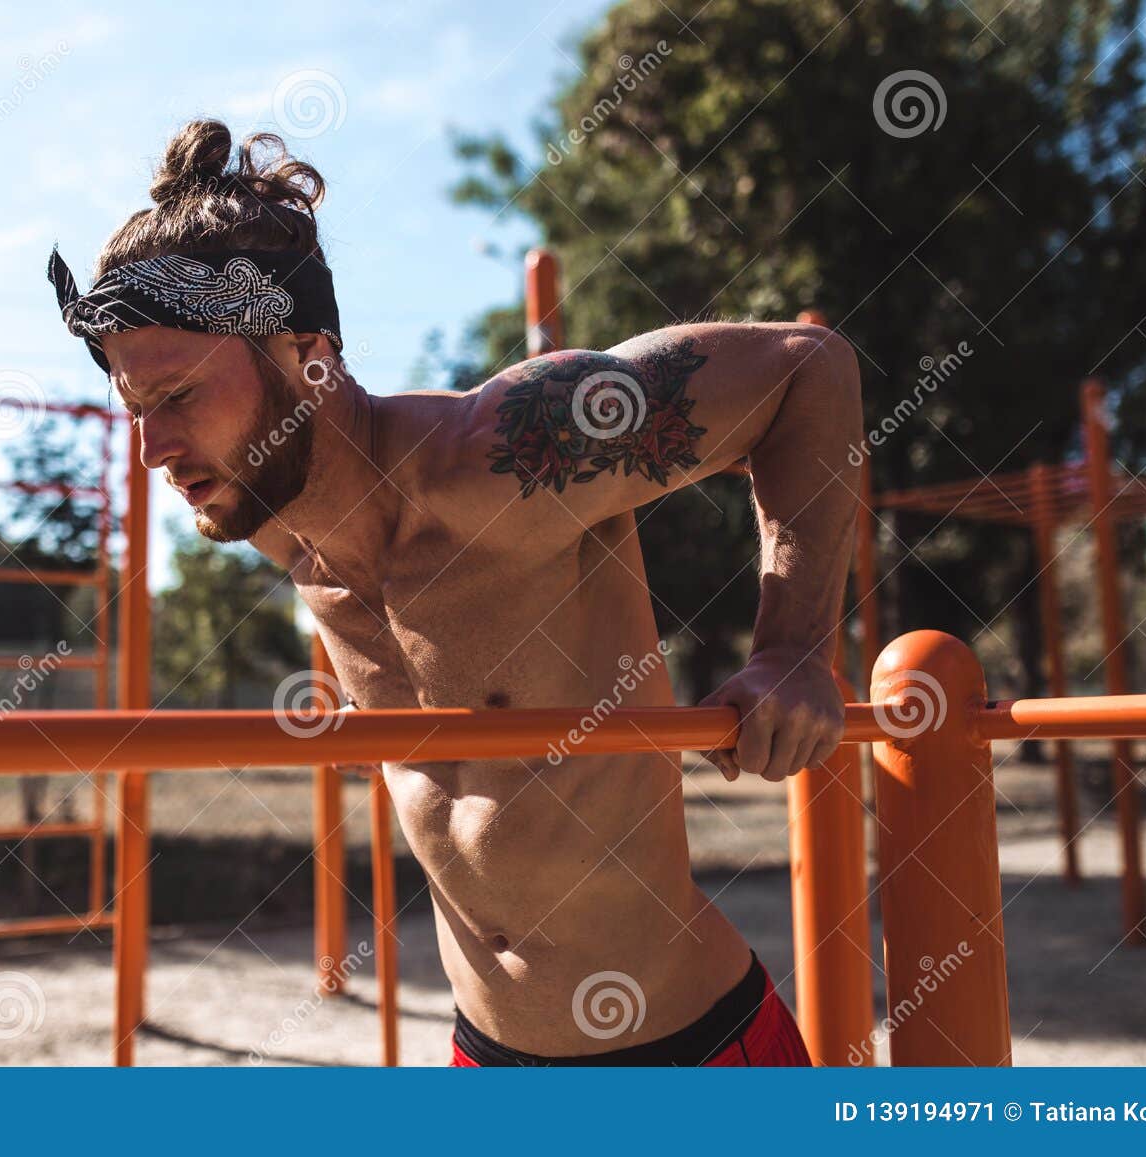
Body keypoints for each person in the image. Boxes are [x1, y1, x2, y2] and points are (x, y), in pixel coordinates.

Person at [48, 119, 861, 1067]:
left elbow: (809, 371)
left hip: (687, 1052)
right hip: (483, 1057)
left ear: (306, 354)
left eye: (179, 396)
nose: (153, 450)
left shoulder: (509, 453)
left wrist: (795, 648)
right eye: (137, 409)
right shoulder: (272, 521)